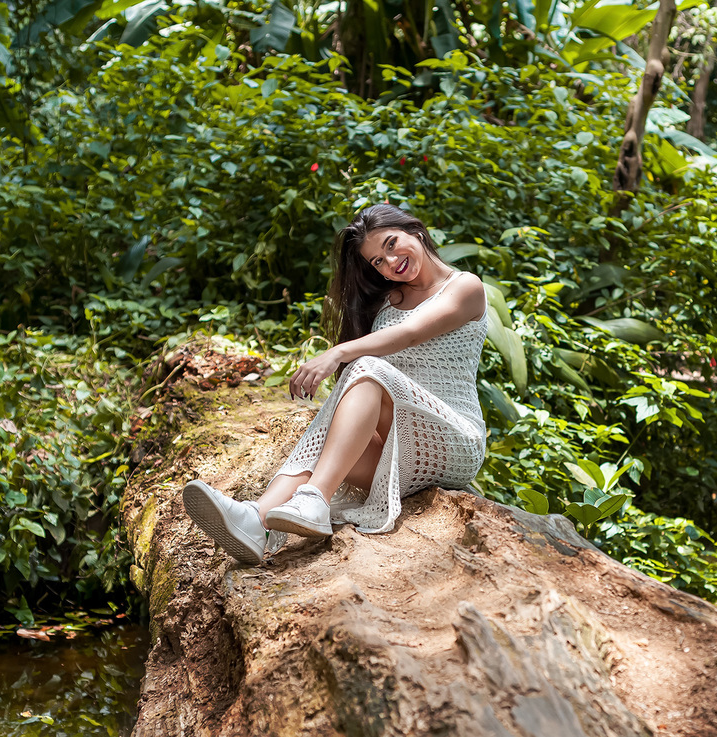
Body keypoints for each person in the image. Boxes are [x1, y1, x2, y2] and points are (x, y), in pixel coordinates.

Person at [182, 204, 489, 564]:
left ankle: (314, 498)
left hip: (453, 440)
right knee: (335, 438)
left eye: (391, 244)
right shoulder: (389, 303)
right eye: (377, 261)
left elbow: (408, 335)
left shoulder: (464, 287)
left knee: (367, 367)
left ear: (414, 231)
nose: (390, 262)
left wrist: (338, 353)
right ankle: (258, 519)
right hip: (401, 451)